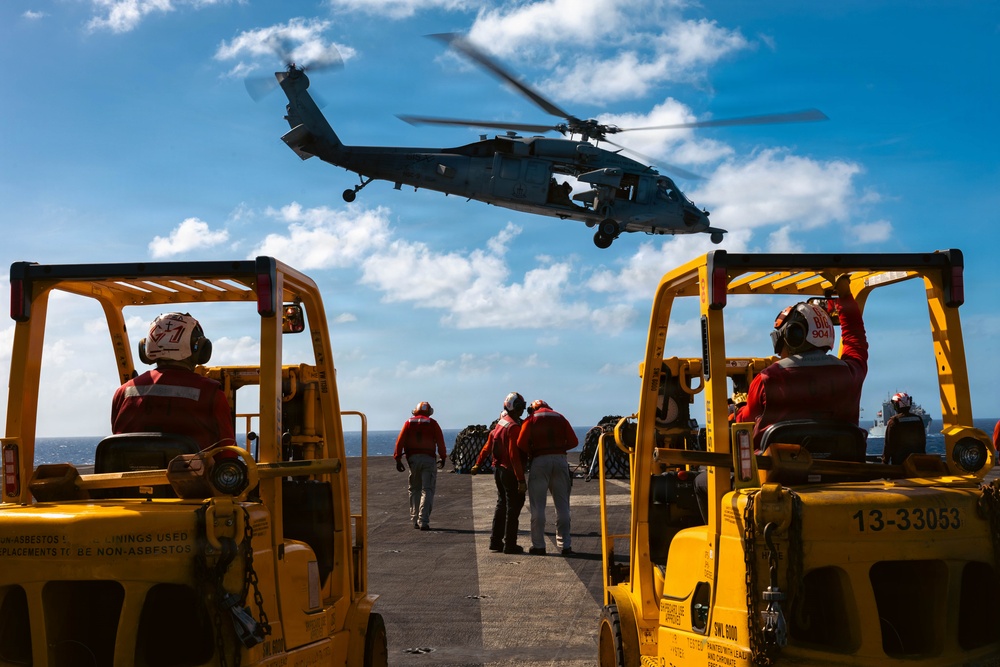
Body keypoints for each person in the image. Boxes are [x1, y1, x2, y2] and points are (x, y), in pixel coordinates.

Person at [736, 274, 868, 449]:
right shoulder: (851, 373)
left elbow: (745, 421)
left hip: (779, 474)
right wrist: (844, 295)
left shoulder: (766, 380)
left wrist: (737, 407)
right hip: (842, 473)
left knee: (703, 478)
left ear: (791, 338)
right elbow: (855, 337)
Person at [112, 312, 235, 451]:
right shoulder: (211, 393)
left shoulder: (123, 392)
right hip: (190, 472)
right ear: (200, 348)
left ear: (147, 346)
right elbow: (227, 451)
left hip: (129, 472)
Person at [516, 399, 578, 555]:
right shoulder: (560, 417)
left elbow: (520, 443)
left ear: (533, 408)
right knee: (563, 506)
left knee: (538, 507)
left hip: (540, 461)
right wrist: (559, 448)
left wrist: (532, 451)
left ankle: (539, 546)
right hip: (560, 461)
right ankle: (565, 545)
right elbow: (574, 441)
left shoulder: (531, 420)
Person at [471, 392, 528, 554]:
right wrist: (521, 479)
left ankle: (495, 541)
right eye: (520, 408)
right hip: (510, 471)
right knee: (513, 507)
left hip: (498, 470)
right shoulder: (514, 427)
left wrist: (478, 464)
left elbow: (487, 448)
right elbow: (514, 456)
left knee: (501, 504)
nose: (522, 411)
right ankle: (510, 544)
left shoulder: (500, 424)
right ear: (515, 408)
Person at [393, 401, 447, 531]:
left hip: (413, 460)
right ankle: (423, 520)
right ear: (429, 411)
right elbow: (440, 442)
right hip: (428, 460)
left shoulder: (408, 423)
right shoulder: (433, 423)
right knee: (427, 489)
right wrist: (443, 457)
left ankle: (414, 519)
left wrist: (398, 458)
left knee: (414, 489)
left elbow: (400, 442)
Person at [881, 392, 927, 464]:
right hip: (918, 462)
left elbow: (888, 445)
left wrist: (884, 462)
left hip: (900, 463)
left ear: (896, 405)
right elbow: (923, 442)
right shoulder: (918, 419)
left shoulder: (894, 421)